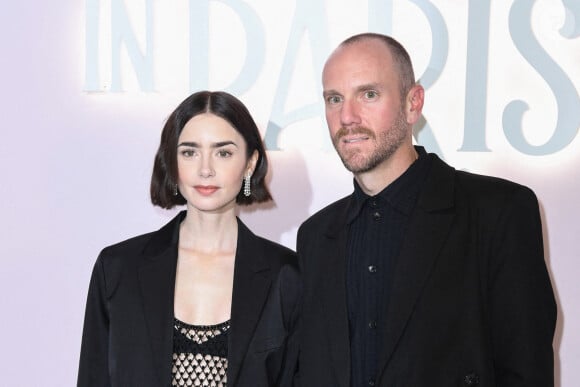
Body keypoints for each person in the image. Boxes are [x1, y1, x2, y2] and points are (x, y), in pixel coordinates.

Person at [296, 33, 556, 386]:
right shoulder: (315, 237)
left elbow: (526, 372)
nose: (347, 116)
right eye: (334, 99)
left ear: (412, 103)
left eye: (368, 94)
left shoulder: (498, 213)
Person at [78, 91, 300, 387]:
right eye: (189, 152)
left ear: (250, 163)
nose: (205, 169)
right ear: (172, 161)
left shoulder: (285, 275)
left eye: (223, 152)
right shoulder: (118, 269)